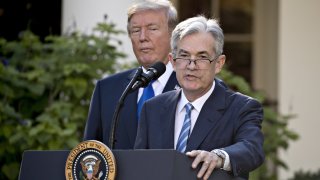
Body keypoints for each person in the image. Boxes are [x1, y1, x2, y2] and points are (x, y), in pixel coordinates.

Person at [134, 15, 264, 179]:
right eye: (184, 56)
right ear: (173, 61)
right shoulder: (152, 108)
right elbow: (140, 166)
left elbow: (252, 149)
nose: (191, 66)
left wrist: (218, 157)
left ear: (218, 63)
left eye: (202, 57)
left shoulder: (241, 107)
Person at [83, 0, 179, 149]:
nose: (142, 37)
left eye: (152, 29)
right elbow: (90, 153)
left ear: (173, 35)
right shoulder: (107, 89)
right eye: (135, 30)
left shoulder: (192, 87)